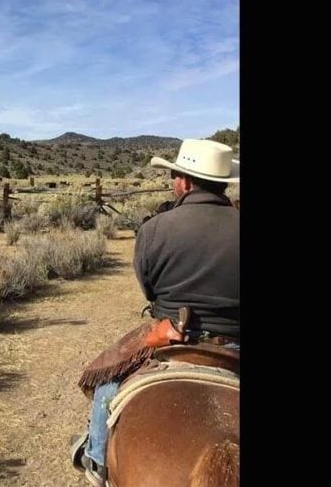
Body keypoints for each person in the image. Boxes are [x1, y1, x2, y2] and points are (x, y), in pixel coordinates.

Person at [70, 138, 240, 487]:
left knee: (107, 386)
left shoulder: (154, 229)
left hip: (172, 336)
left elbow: (149, 289)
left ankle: (96, 458)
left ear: (185, 182)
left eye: (175, 176)